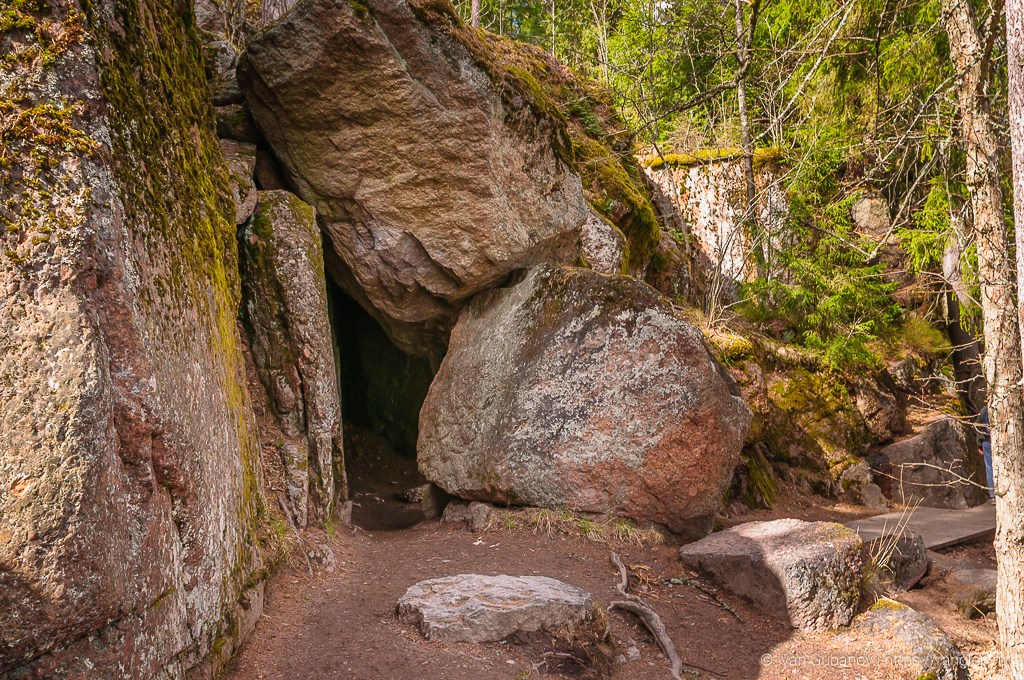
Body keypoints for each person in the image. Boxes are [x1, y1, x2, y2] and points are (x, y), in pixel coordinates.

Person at [977, 407, 995, 501]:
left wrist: (979, 444)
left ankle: (992, 495)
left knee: (989, 468)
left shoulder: (984, 410)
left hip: (986, 441)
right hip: (1000, 442)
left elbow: (978, 426)